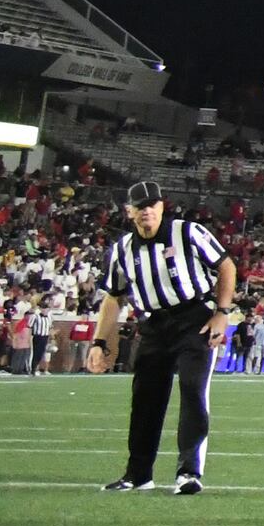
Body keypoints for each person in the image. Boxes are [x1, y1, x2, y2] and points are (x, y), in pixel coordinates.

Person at [100, 181, 236, 495]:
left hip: (194, 320)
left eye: (152, 204)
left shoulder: (188, 232)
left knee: (192, 390)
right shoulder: (122, 249)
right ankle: (138, 474)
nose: (147, 210)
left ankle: (189, 472)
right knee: (145, 399)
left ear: (162, 206)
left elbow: (225, 265)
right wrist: (99, 341)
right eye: (140, 206)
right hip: (153, 325)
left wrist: (222, 312)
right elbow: (113, 297)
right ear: (129, 211)